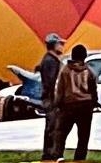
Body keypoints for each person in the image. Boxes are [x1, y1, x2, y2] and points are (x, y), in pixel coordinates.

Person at [52, 44, 98, 162]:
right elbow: (93, 90)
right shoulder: (88, 71)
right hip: (85, 105)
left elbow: (60, 90)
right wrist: (94, 102)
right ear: (84, 56)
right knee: (83, 135)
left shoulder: (65, 70)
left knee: (61, 133)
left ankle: (58, 155)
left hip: (69, 105)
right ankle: (80, 158)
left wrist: (57, 104)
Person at [38, 32, 66, 162]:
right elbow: (52, 83)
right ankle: (49, 154)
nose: (62, 46)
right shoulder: (50, 61)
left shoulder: (52, 60)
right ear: (54, 45)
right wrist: (57, 99)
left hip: (51, 98)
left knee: (54, 126)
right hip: (51, 99)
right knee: (52, 126)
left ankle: (51, 153)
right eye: (60, 43)